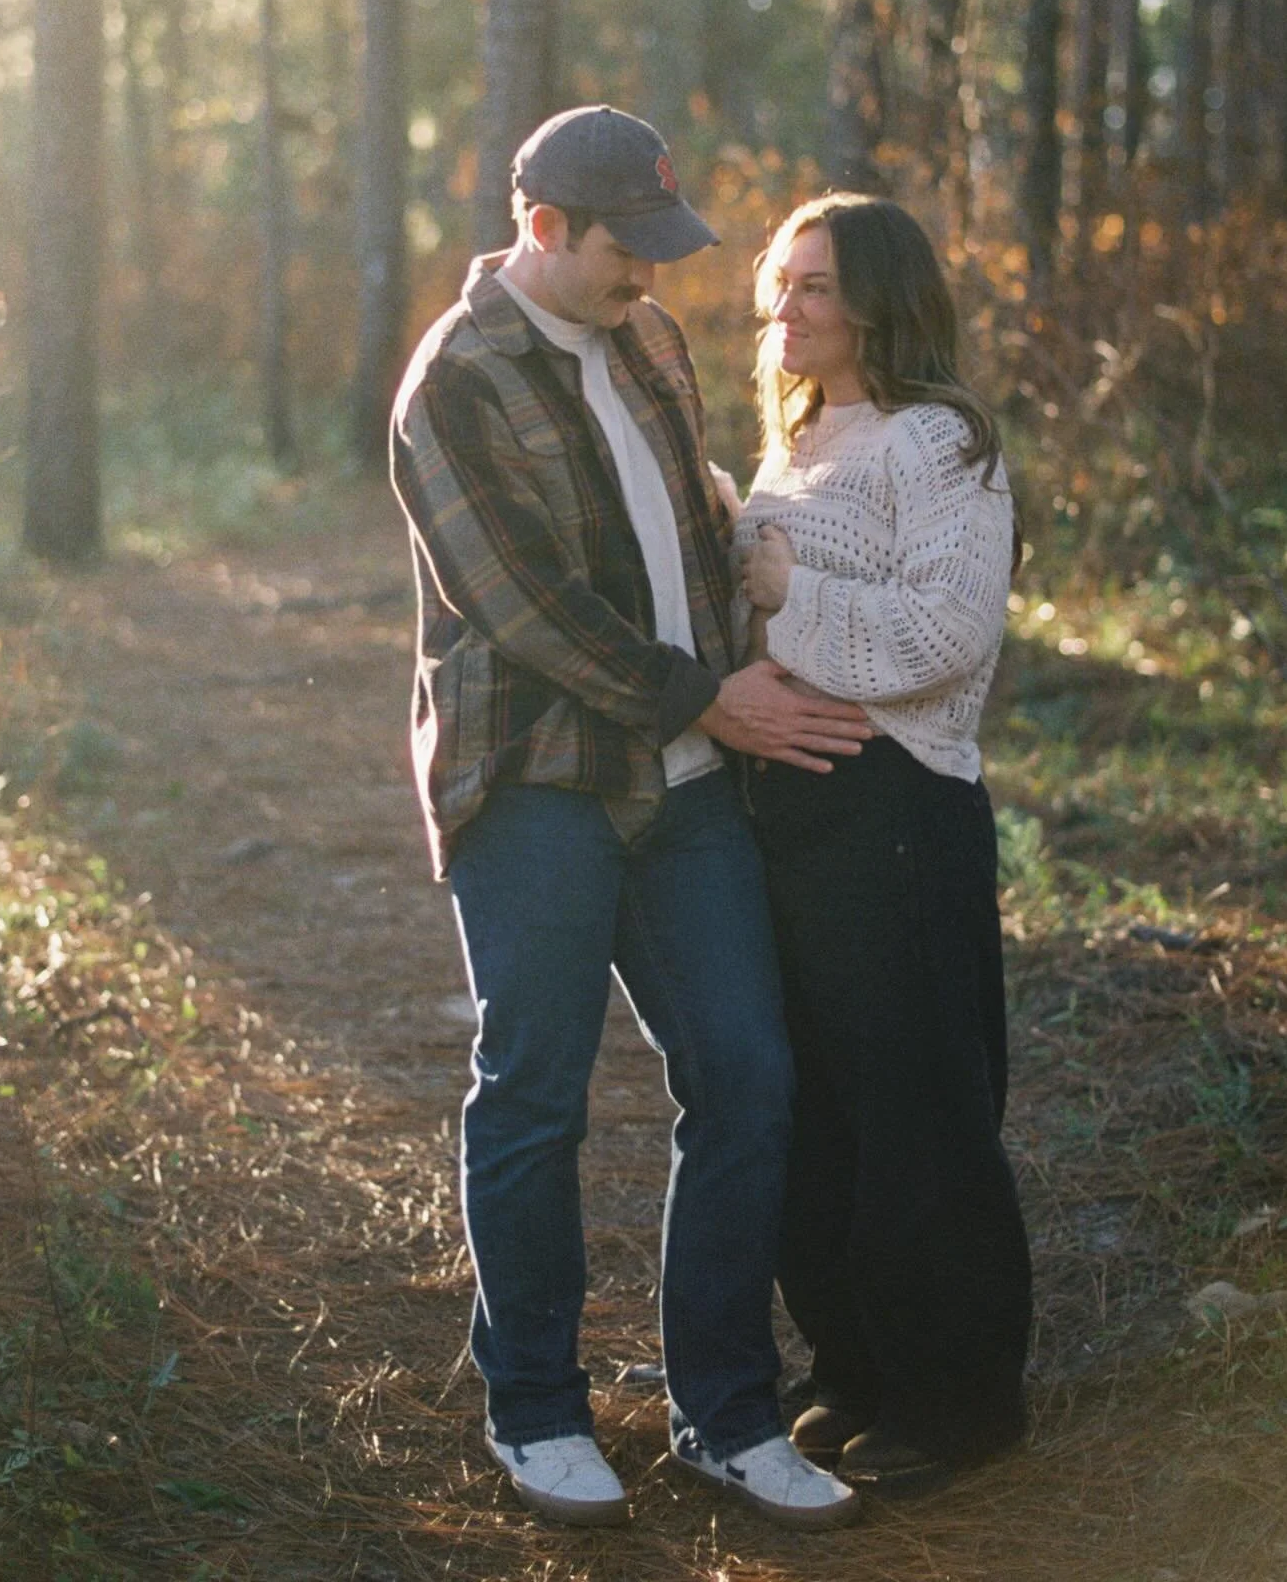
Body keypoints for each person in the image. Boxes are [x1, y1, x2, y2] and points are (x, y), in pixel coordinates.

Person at [389, 107, 869, 1530]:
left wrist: (756, 614)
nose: (648, 277)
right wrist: (710, 698)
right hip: (539, 782)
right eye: (624, 249)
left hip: (690, 786)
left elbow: (689, 530)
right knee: (535, 1095)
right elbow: (528, 609)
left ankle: (726, 1413)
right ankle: (537, 1410)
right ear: (543, 228)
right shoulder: (453, 382)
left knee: (748, 1074)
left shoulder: (649, 340)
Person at [735, 193, 1033, 1492]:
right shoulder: (800, 437)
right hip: (793, 817)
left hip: (900, 814)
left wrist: (787, 590)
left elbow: (945, 633)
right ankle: (857, 1368)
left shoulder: (938, 440)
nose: (784, 307)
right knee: (820, 1112)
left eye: (814, 285)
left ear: (879, 301)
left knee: (919, 1111)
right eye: (780, 282)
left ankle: (958, 1401)